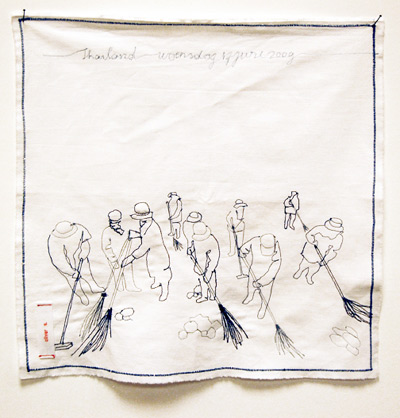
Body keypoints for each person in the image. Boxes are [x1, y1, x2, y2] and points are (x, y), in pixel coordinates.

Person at [121, 202, 172, 301]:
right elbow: (143, 235)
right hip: (152, 253)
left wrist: (130, 258)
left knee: (162, 272)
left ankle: (164, 291)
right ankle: (157, 282)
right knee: (153, 270)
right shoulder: (145, 223)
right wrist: (135, 234)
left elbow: (144, 246)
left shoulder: (151, 228)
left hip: (160, 255)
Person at [48, 221, 104, 306]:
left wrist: (84, 252)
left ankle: (93, 287)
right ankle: (82, 296)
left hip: (79, 256)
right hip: (67, 263)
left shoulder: (79, 229)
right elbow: (58, 260)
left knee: (87, 273)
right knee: (74, 281)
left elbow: (85, 242)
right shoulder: (53, 240)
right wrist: (72, 272)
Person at [240, 234, 282, 319]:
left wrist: (261, 282)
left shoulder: (276, 250)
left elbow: (273, 270)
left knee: (265, 293)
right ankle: (249, 297)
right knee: (251, 287)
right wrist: (242, 252)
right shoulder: (254, 241)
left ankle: (263, 308)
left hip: (267, 276)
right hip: (254, 270)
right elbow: (243, 248)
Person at [293, 217, 344, 285]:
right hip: (312, 250)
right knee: (305, 263)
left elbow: (335, 249)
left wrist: (327, 257)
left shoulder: (339, 237)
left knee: (315, 267)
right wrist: (312, 241)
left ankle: (309, 276)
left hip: (323, 254)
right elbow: (309, 234)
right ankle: (300, 271)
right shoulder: (319, 228)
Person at [101, 209, 141, 292]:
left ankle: (130, 286)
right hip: (114, 257)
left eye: (117, 222)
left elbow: (136, 234)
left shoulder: (124, 230)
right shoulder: (107, 231)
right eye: (113, 223)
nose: (115, 224)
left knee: (128, 270)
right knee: (117, 272)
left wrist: (140, 234)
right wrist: (112, 259)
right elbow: (106, 247)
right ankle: (119, 288)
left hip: (126, 255)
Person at [187, 222, 220, 303]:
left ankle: (212, 295)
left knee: (210, 278)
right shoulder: (196, 241)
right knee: (202, 279)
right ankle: (204, 295)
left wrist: (209, 270)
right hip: (200, 264)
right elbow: (194, 247)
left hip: (210, 263)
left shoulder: (211, 240)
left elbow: (214, 257)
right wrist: (190, 249)